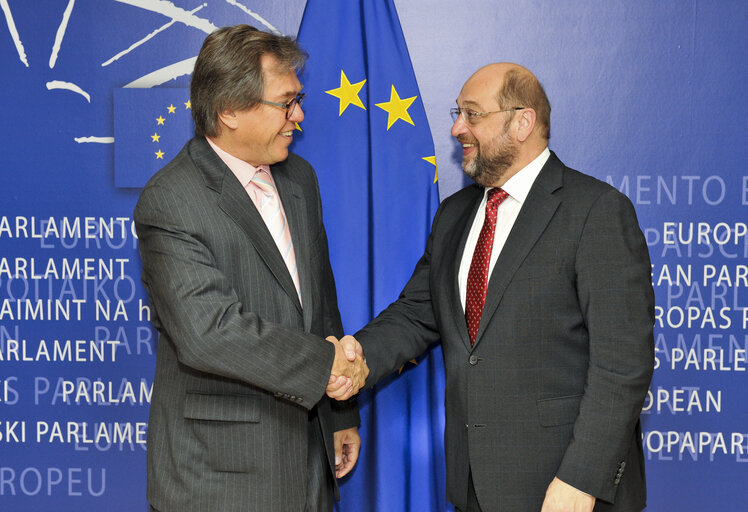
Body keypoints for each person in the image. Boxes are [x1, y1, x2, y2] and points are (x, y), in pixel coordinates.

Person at [332, 63, 655, 512]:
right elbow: (416, 314)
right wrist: (354, 361)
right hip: (473, 486)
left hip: (565, 489)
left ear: (522, 121)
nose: (457, 127)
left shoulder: (595, 211)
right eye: (457, 112)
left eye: (471, 114)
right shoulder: (454, 215)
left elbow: (623, 367)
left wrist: (582, 479)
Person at [134, 25, 367, 512]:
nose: (298, 116)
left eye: (297, 99)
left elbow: (319, 303)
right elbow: (209, 332)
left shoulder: (299, 178)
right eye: (286, 103)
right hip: (220, 479)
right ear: (229, 111)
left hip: (310, 465)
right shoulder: (171, 200)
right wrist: (328, 367)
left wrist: (341, 410)